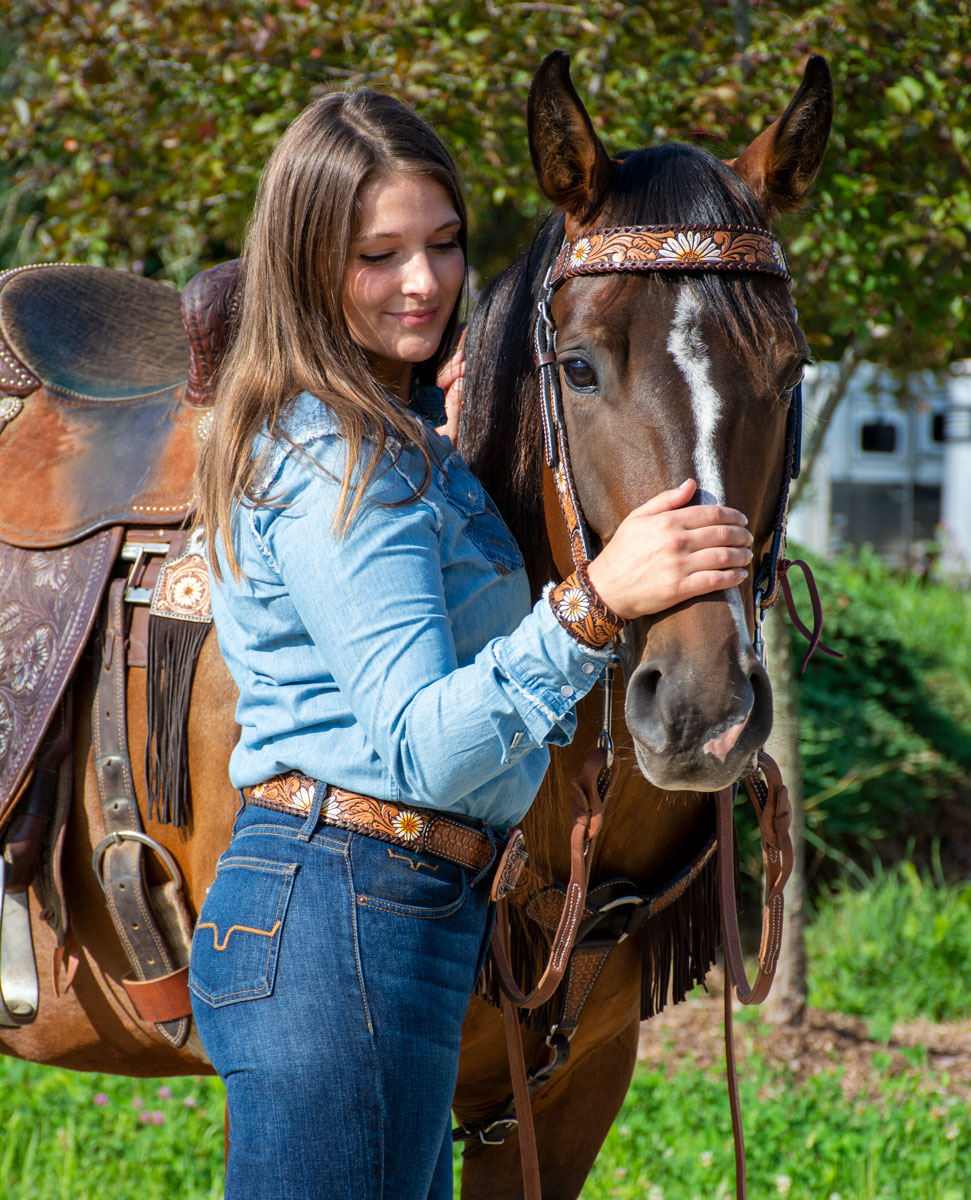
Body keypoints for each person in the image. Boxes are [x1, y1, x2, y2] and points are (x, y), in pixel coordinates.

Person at [189, 89, 753, 1200]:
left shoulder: (393, 443)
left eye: (443, 245)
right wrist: (596, 603)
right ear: (307, 261)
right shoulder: (338, 461)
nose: (424, 282)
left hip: (380, 913)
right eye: (378, 254)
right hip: (340, 910)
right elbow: (420, 747)